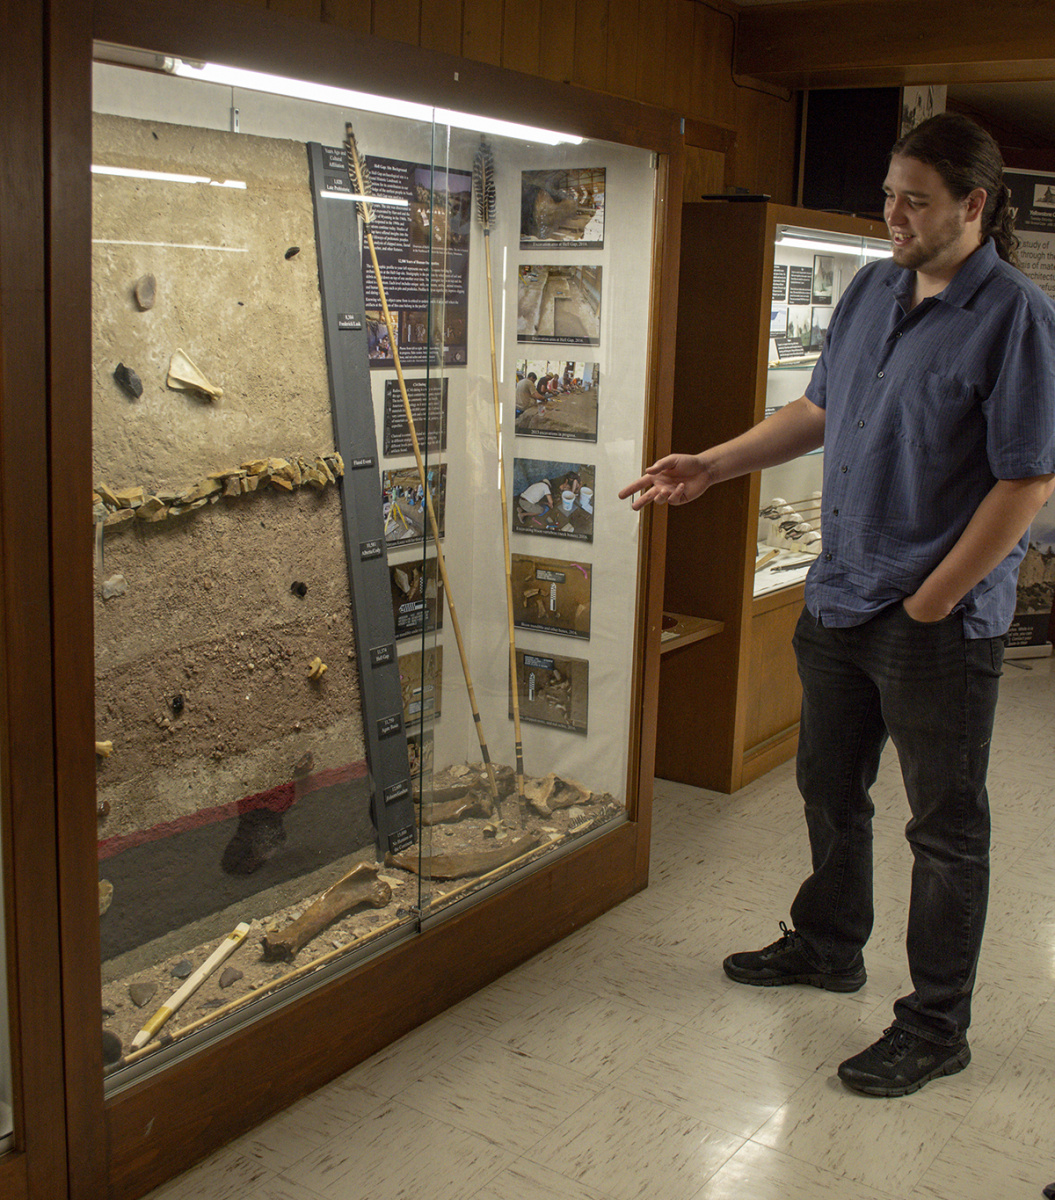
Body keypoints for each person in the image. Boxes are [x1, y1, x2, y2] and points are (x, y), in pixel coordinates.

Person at [620, 112, 1055, 1097]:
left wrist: (935, 600)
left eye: (913, 200)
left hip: (932, 625)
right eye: (887, 196)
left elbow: (1025, 482)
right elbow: (818, 409)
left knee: (943, 833)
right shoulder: (868, 288)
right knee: (827, 789)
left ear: (971, 205)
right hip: (839, 598)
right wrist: (711, 464)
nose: (891, 216)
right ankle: (827, 946)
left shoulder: (1016, 318)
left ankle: (935, 1024)